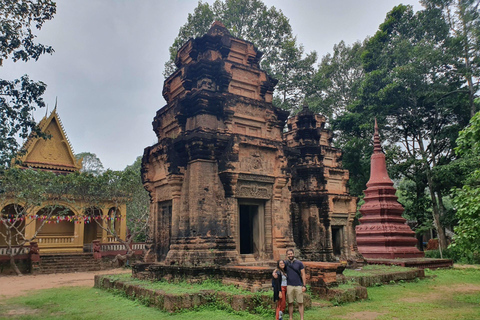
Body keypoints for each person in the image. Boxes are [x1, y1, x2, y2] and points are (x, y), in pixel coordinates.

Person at [273, 249, 306, 320]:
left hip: (298, 285)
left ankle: (302, 318)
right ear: (287, 255)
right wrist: (274, 272)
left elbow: (303, 274)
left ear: (293, 254)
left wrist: (304, 285)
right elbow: (279, 266)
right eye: (289, 254)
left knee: (300, 302)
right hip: (289, 285)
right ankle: (290, 318)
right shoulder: (286, 263)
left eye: (291, 254)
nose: (290, 255)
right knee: (290, 302)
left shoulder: (299, 263)